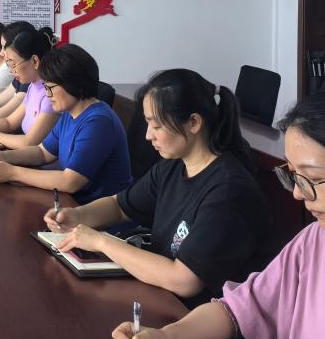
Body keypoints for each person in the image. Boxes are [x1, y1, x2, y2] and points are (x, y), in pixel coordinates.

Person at [47, 69, 270, 307]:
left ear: (193, 123)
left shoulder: (228, 191)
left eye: (156, 126)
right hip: (160, 296)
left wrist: (101, 242)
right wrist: (77, 215)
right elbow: (119, 206)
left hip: (195, 313)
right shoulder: (173, 165)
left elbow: (184, 280)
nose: (147, 136)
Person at [111, 92, 325, 339]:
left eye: (314, 178)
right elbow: (238, 309)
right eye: (294, 175)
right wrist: (167, 335)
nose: (297, 193)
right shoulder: (313, 240)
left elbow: (184, 280)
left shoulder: (228, 187)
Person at [0, 43, 132, 204]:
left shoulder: (98, 122)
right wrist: (2, 156)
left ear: (72, 83)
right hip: (70, 204)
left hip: (94, 212)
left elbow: (70, 182)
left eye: (50, 87)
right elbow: (42, 153)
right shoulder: (69, 113)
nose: (47, 94)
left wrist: (12, 173)